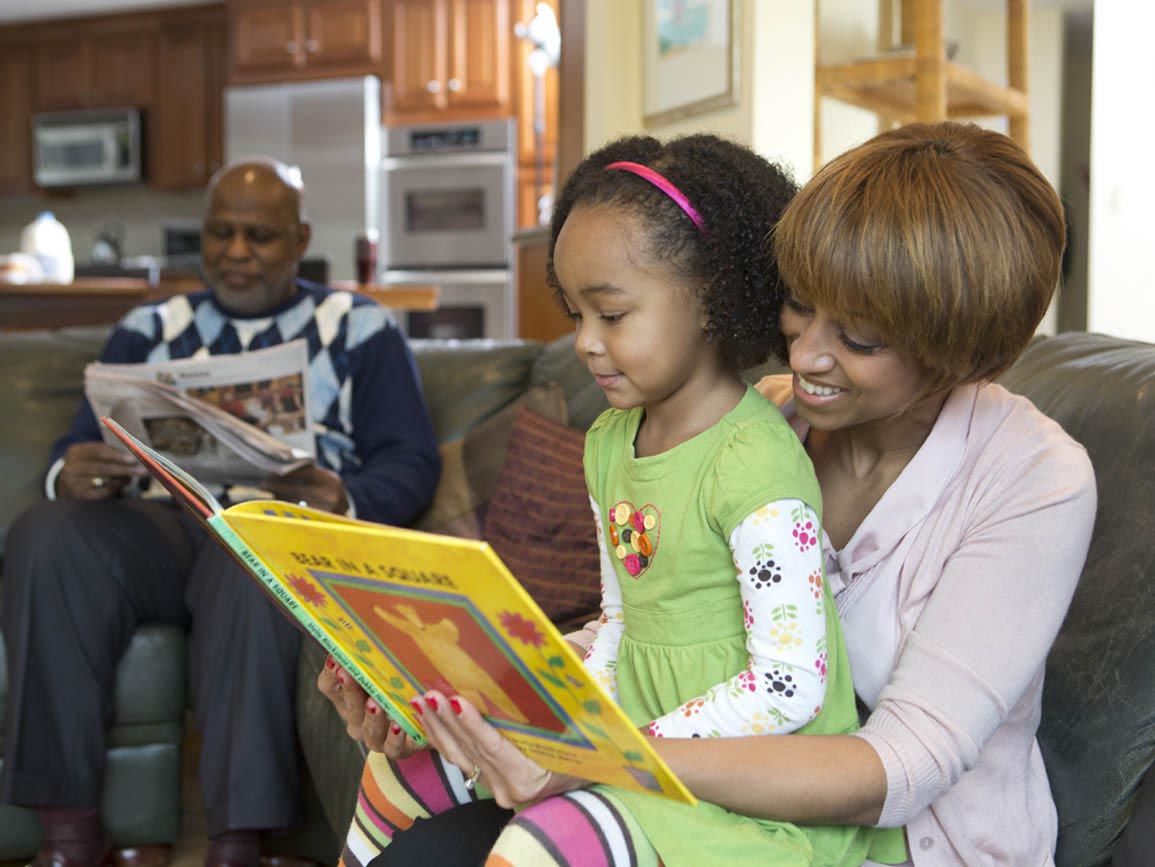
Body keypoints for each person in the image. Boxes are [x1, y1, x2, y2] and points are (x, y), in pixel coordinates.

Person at [324, 121, 1097, 866]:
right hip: (698, 795)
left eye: (858, 338)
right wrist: (461, 691)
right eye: (800, 301)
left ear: (961, 350)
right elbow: (664, 624)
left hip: (890, 843)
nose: (805, 351)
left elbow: (897, 769)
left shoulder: (1032, 478)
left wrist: (600, 758)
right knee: (422, 842)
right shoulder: (769, 417)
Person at [1, 158, 441, 867]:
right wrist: (67, 470)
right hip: (155, 528)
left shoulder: (358, 326)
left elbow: (410, 459)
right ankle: (66, 836)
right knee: (47, 533)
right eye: (221, 233)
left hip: (269, 530)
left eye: (260, 236)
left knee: (252, 551)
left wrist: (346, 496)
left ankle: (238, 844)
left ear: (299, 240)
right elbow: (77, 443)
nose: (236, 252)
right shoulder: (149, 326)